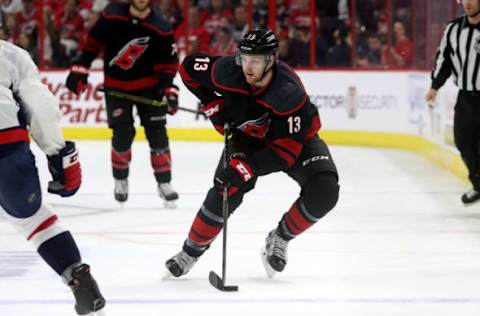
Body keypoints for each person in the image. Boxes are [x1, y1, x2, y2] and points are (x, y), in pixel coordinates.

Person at [165, 29, 340, 278]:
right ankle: (190, 252)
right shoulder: (227, 70)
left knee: (325, 191)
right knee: (226, 189)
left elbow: (286, 153)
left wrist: (245, 169)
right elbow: (188, 68)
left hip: (293, 142)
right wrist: (212, 105)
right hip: (247, 138)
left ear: (271, 60)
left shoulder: (289, 93)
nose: (247, 67)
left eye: (255, 61)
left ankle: (279, 238)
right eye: (244, 58)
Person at [0, 36, 105, 314]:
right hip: (7, 147)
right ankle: (77, 276)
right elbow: (40, 107)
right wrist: (57, 152)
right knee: (34, 219)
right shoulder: (12, 55)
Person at [65, 0, 180, 206]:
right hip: (116, 88)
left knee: (157, 133)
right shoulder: (112, 15)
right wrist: (80, 69)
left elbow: (168, 63)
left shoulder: (160, 25)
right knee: (123, 133)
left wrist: (168, 90)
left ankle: (164, 183)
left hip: (149, 88)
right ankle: (121, 179)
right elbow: (92, 43)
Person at [426, 0, 480, 205]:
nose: (466, 3)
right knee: (463, 142)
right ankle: (478, 184)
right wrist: (434, 87)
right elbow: (444, 60)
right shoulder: (454, 29)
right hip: (466, 97)